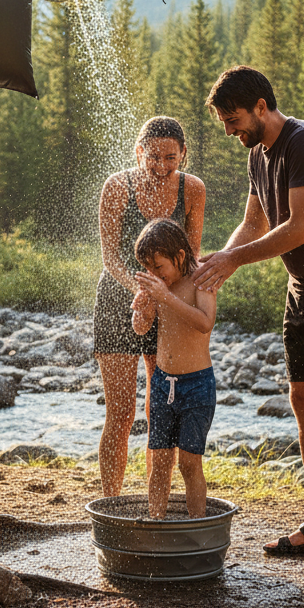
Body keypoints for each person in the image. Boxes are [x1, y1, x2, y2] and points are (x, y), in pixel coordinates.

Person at [192, 66, 304, 574]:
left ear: (259, 105)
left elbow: (301, 227)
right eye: (225, 123)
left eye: (233, 120)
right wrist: (213, 265)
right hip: (303, 289)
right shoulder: (259, 154)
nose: (231, 131)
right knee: (301, 400)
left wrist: (233, 261)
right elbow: (254, 223)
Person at [94, 117, 206, 497]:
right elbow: (110, 258)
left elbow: (190, 258)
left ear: (183, 155)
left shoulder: (192, 190)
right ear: (139, 151)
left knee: (159, 411)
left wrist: (164, 296)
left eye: (171, 158)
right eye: (153, 156)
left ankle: (153, 501)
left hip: (169, 302)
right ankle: (111, 502)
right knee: (121, 411)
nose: (161, 165)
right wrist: (143, 290)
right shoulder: (117, 187)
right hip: (117, 298)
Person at [131, 217, 216, 519]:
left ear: (179, 256)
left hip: (196, 384)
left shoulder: (201, 280)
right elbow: (141, 330)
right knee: (160, 461)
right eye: (148, 269)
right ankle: (155, 522)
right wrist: (142, 309)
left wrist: (165, 297)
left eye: (159, 267)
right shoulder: (159, 286)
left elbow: (205, 323)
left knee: (189, 464)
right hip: (162, 382)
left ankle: (198, 529)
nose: (154, 275)